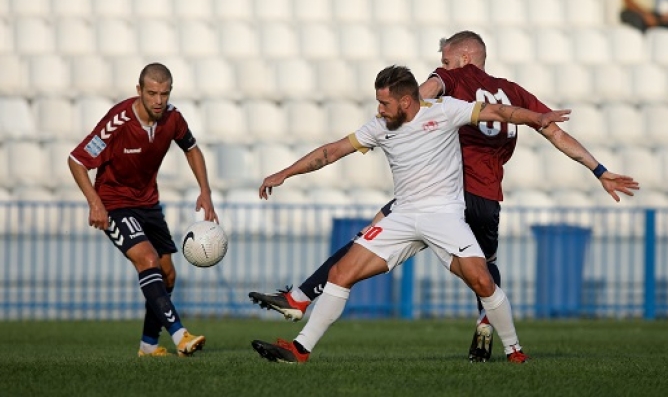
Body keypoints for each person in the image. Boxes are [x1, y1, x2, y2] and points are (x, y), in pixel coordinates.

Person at [249, 31, 640, 362]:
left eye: (445, 58)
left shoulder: (447, 93)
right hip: (472, 199)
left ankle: (514, 348)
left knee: (481, 280)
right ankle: (301, 346)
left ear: (463, 57)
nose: (440, 64)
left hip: (447, 206)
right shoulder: (508, 92)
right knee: (351, 269)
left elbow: (440, 97)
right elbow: (330, 151)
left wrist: (417, 103)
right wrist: (597, 169)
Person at [68, 63, 217, 357]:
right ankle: (180, 335)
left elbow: (192, 148)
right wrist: (95, 202)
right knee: (147, 259)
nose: (158, 101)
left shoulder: (172, 118)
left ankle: (148, 346)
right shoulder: (118, 121)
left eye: (164, 93)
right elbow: (76, 160)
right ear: (139, 91)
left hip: (148, 203)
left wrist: (205, 191)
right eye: (152, 93)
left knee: (168, 275)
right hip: (115, 203)